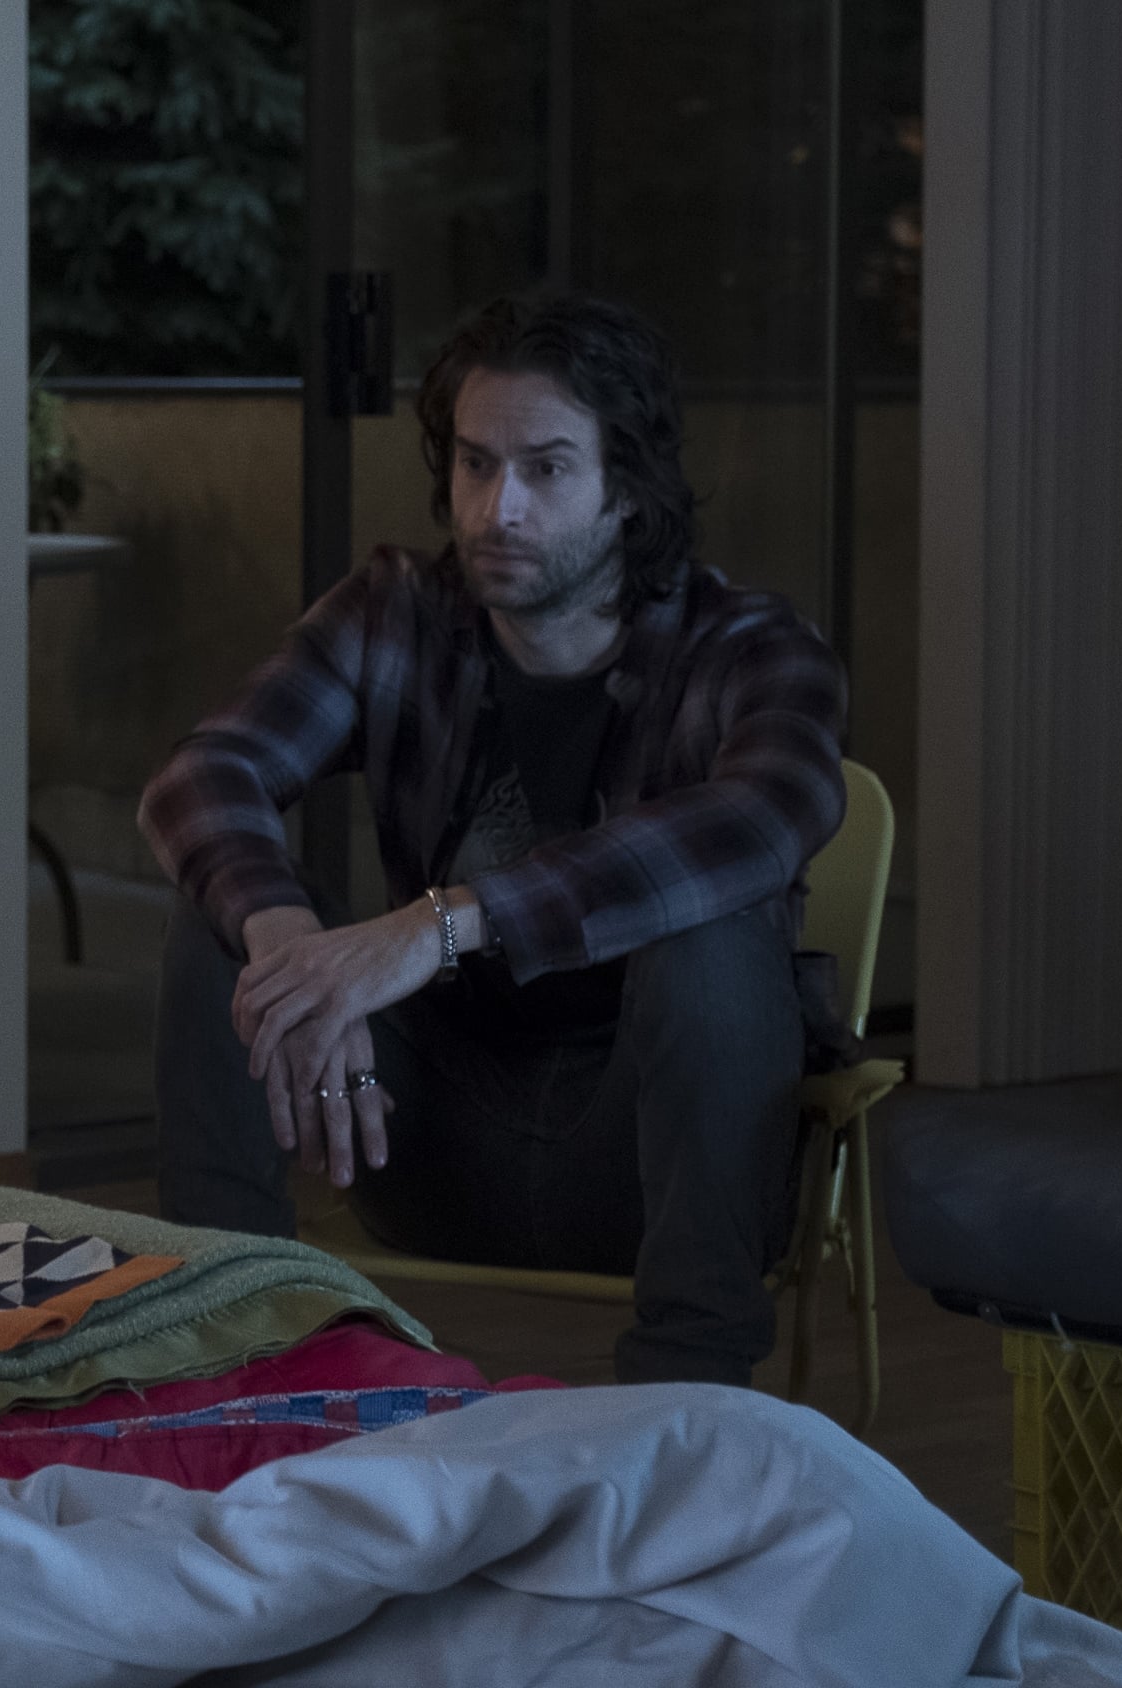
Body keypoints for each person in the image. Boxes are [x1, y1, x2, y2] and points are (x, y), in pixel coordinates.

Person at [141, 292, 847, 1386]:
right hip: (419, 1137)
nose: (496, 508)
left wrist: (437, 926)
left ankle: (689, 1404)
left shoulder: (749, 647)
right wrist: (288, 942)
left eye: (546, 469)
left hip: (649, 1159)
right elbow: (204, 773)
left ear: (627, 489)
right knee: (223, 916)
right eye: (476, 465)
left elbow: (764, 817)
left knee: (713, 934)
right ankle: (217, 1350)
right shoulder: (397, 614)